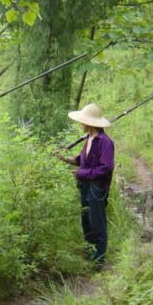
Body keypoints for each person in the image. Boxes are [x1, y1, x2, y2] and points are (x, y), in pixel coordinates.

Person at [57, 103, 114, 265]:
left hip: (97, 188)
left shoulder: (105, 142)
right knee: (86, 220)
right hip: (85, 186)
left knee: (97, 222)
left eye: (82, 121)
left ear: (89, 123)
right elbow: (84, 160)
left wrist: (82, 173)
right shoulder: (89, 138)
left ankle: (99, 258)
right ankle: (90, 251)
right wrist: (65, 159)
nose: (80, 124)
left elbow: (106, 167)